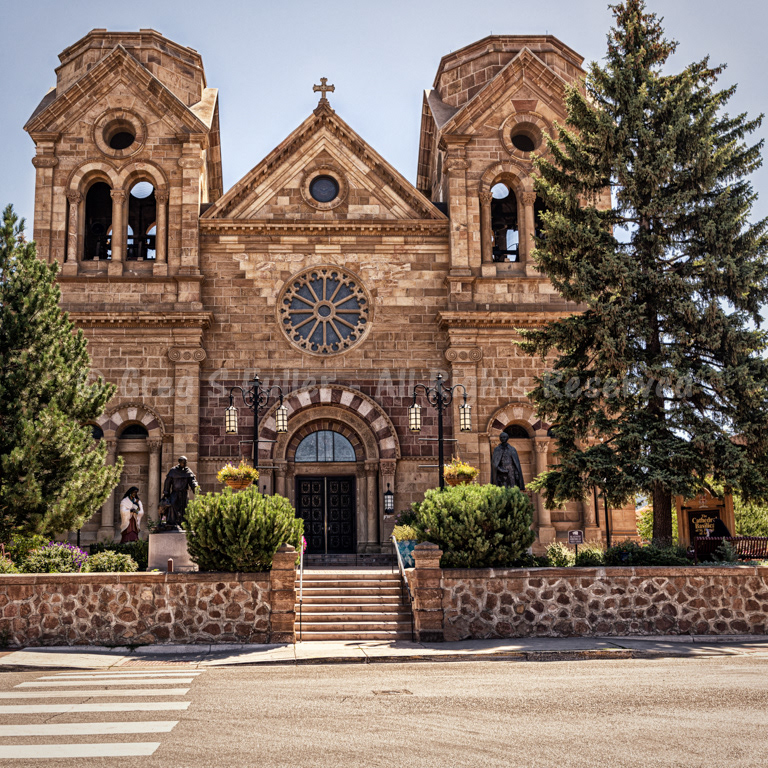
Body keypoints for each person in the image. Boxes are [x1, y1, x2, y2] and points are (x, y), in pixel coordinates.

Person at [161, 456, 200, 530]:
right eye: (183, 462)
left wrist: (196, 487)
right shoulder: (173, 471)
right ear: (179, 462)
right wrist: (166, 492)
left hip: (184, 493)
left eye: (185, 462)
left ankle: (183, 524)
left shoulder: (188, 471)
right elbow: (167, 482)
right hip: (175, 493)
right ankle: (172, 523)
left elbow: (192, 480)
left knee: (184, 508)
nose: (184, 464)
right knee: (172, 505)